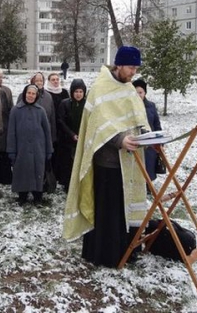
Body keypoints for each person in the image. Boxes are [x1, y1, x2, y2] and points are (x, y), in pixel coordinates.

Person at [63, 46, 150, 268]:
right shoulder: (101, 88)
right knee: (107, 211)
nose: (133, 72)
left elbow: (137, 116)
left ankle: (125, 250)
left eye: (136, 67)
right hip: (107, 162)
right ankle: (105, 254)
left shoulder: (129, 88)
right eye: (131, 67)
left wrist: (148, 135)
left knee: (123, 209)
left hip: (128, 163)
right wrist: (119, 140)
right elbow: (99, 126)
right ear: (119, 64)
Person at [7, 84, 53, 206]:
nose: (31, 96)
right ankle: (22, 197)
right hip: (21, 149)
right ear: (24, 94)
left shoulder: (41, 111)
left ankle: (38, 198)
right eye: (29, 93)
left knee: (38, 172)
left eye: (33, 94)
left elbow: (47, 132)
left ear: (36, 96)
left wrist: (49, 150)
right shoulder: (16, 110)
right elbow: (11, 132)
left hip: (39, 148)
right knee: (22, 172)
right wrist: (11, 150)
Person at [56, 79, 86, 192]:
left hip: (82, 139)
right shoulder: (65, 103)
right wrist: (71, 134)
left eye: (80, 92)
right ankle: (67, 184)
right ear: (72, 92)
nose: (78, 94)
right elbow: (61, 121)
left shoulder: (87, 105)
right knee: (68, 164)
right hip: (67, 140)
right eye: (76, 92)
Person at [133, 78, 163, 181]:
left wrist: (160, 141)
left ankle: (149, 186)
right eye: (136, 93)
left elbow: (156, 124)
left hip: (150, 143)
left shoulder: (151, 106)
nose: (139, 95)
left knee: (149, 165)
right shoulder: (130, 108)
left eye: (140, 92)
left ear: (145, 92)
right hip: (136, 142)